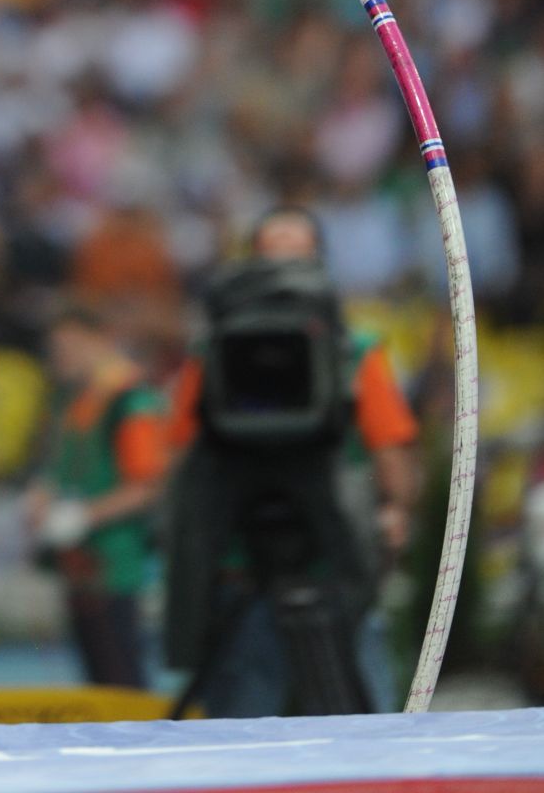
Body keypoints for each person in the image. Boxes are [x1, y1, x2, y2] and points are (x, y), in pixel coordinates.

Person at [165, 207, 420, 717]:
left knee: (361, 717)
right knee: (239, 721)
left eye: (296, 252)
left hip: (334, 559)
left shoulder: (355, 352)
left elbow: (389, 446)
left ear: (320, 262)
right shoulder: (211, 352)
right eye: (271, 252)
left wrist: (394, 512)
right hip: (241, 561)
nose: (283, 267)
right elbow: (183, 450)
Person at [27, 301, 168, 689]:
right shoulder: (69, 400)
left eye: (72, 349)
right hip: (76, 560)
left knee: (119, 668)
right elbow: (57, 464)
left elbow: (147, 486)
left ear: (102, 342)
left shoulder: (131, 402)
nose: (63, 359)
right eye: (57, 351)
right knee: (94, 671)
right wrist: (42, 494)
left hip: (115, 559)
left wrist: (85, 515)